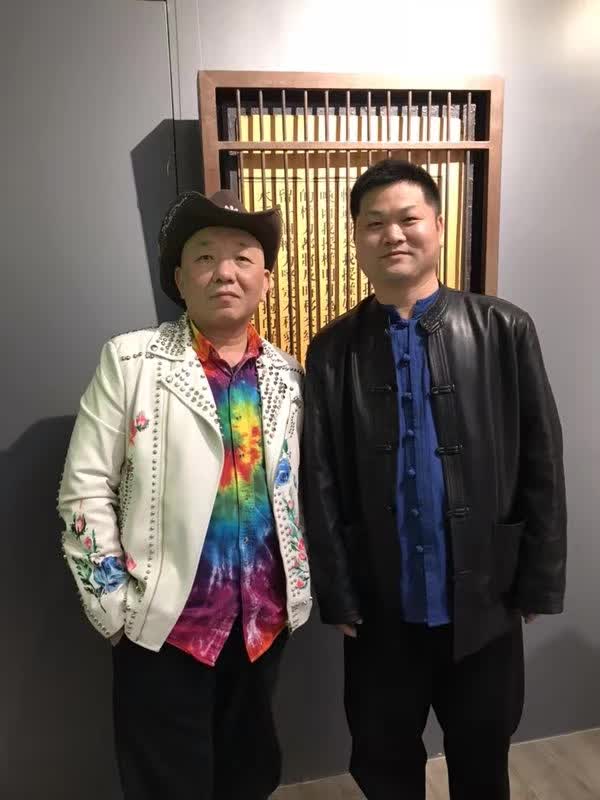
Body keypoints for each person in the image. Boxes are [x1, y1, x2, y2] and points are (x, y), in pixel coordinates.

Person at [302, 159, 566, 800]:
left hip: (486, 599)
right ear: (357, 237)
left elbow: (542, 462)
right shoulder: (333, 349)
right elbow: (321, 479)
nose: (392, 234)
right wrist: (337, 591)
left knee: (483, 758)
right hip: (380, 607)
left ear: (439, 227)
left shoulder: (504, 328)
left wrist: (538, 579)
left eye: (408, 218)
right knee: (383, 762)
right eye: (374, 223)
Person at [58, 189, 311, 800]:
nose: (225, 272)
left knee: (249, 776)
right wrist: (115, 610)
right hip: (164, 629)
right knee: (167, 786)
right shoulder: (131, 361)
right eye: (204, 256)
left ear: (265, 280)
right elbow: (83, 490)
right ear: (179, 277)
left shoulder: (290, 376)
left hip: (262, 626)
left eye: (243, 257)